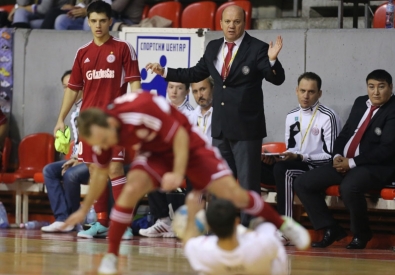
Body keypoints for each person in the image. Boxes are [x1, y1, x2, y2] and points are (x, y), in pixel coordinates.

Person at [60, 92, 310, 274]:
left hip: (188, 145)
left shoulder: (139, 110)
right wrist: (84, 209)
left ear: (112, 123)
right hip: (155, 153)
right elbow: (99, 173)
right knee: (130, 190)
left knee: (235, 194)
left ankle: (283, 224)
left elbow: (179, 137)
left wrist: (177, 173)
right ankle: (111, 257)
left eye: (104, 140)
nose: (103, 147)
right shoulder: (102, 134)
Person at [146, 5, 285, 226]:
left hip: (247, 128)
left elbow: (276, 79)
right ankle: (222, 229)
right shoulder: (213, 47)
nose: (232, 26)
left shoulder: (257, 48)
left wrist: (271, 61)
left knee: (248, 185)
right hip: (220, 128)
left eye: (237, 21)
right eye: (227, 21)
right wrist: (166, 72)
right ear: (220, 23)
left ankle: (250, 230)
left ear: (244, 23)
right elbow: (194, 73)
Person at [53, 1, 141, 238]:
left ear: (110, 21)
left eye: (103, 20)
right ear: (88, 21)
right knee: (94, 170)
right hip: (88, 123)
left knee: (114, 168)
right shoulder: (82, 52)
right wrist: (60, 119)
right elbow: (72, 88)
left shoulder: (124, 48)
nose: (98, 25)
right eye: (93, 21)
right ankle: (102, 222)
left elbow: (134, 83)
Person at [294, 69, 395, 249]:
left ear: (390, 87)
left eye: (381, 87)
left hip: (376, 167)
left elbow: (387, 148)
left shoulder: (393, 108)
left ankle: (361, 233)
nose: (376, 92)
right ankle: (330, 228)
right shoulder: (360, 103)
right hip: (346, 163)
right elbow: (345, 134)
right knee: (303, 183)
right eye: (371, 87)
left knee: (349, 186)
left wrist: (352, 163)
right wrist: (337, 156)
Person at [138, 78, 213, 238]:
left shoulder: (189, 114)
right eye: (171, 87)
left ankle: (190, 224)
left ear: (186, 93)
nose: (173, 91)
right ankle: (163, 220)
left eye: (179, 88)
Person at [261, 72, 341, 220]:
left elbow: (331, 156)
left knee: (283, 171)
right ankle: (250, 222)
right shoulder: (291, 115)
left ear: (319, 94)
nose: (306, 96)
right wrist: (277, 158)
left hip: (317, 167)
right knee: (255, 166)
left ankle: (286, 228)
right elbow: (291, 148)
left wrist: (300, 157)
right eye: (303, 91)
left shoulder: (328, 116)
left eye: (311, 92)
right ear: (296, 90)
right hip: (295, 163)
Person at [183, 192, 288, 275]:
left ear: (209, 226)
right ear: (237, 222)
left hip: (214, 263)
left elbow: (188, 242)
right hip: (261, 253)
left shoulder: (200, 249)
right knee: (267, 229)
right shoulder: (263, 243)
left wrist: (192, 215)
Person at [41, 70, 90, 232]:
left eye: (71, 86)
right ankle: (62, 218)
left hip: (92, 160)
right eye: (64, 87)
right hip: (78, 157)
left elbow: (93, 142)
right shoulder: (74, 110)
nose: (68, 90)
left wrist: (79, 159)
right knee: (49, 170)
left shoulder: (89, 105)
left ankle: (74, 219)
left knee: (71, 174)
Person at [54, 0, 144, 31]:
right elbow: (93, 3)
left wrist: (88, 11)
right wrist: (78, 9)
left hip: (125, 22)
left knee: (92, 20)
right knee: (62, 20)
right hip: (105, 18)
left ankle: (92, 55)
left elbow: (115, 9)